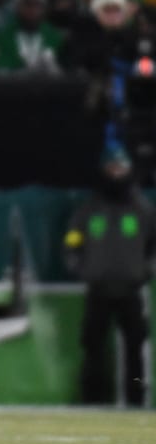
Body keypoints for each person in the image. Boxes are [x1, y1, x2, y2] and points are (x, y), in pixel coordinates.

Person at [64, 147, 155, 406]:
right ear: (104, 171)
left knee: (135, 349)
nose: (116, 173)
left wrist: (147, 270)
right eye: (112, 168)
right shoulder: (89, 210)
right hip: (98, 290)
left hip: (132, 290)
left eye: (121, 168)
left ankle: (136, 401)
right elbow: (72, 241)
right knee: (93, 348)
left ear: (129, 170)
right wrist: (80, 267)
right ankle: (93, 401)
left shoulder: (143, 210)